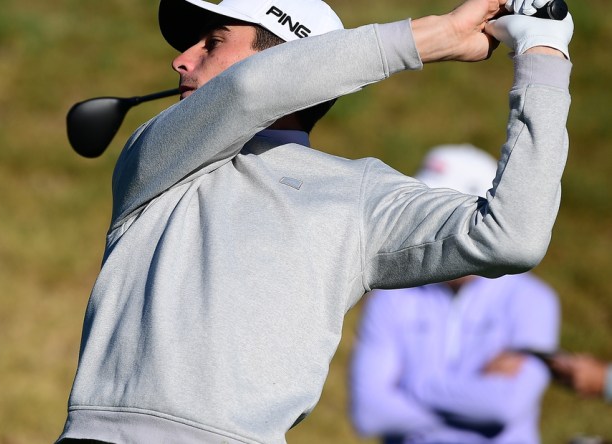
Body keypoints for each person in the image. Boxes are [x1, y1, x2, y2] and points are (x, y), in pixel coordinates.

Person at [57, 0, 574, 442]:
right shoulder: (158, 157)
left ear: (292, 57)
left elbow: (512, 237)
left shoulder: (364, 196)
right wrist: (435, 35)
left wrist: (544, 56)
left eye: (212, 42)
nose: (181, 60)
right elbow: (248, 92)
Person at [348, 144, 561, 444]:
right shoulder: (391, 294)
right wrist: (468, 401)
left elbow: (503, 407)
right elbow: (370, 412)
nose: (427, 227)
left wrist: (412, 385)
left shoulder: (534, 301)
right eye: (424, 213)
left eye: (442, 213)